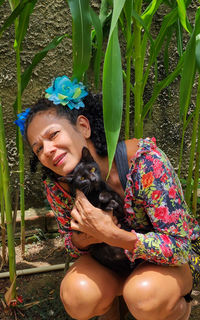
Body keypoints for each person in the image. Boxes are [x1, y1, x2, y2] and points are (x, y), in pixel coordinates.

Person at [15, 75, 200, 320]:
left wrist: (112, 234)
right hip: (114, 264)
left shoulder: (144, 162)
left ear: (83, 126)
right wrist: (84, 238)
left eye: (53, 135)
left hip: (167, 265)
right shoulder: (58, 187)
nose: (47, 150)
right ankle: (113, 309)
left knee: (145, 296)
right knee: (76, 296)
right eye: (38, 148)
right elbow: (72, 246)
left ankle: (175, 310)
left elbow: (181, 248)